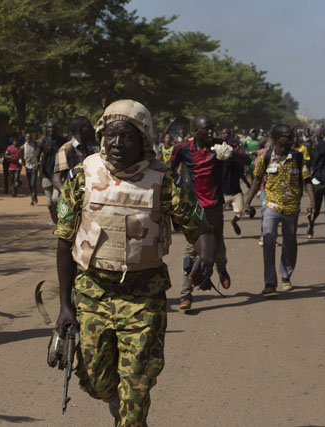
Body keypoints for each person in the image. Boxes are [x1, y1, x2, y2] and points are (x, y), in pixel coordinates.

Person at [54, 100, 216, 427]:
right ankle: (115, 402)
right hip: (92, 293)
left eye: (125, 137)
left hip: (144, 298)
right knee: (95, 381)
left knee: (137, 387)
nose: (116, 143)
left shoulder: (162, 181)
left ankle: (130, 415)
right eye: (110, 135)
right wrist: (64, 305)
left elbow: (201, 229)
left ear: (142, 140)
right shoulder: (83, 175)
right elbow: (64, 240)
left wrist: (207, 255)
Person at [170, 115, 251, 310]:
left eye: (211, 129)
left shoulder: (220, 145)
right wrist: (180, 186)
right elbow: (169, 169)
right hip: (195, 208)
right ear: (195, 131)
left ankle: (221, 269)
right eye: (205, 129)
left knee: (218, 245)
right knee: (191, 249)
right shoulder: (183, 149)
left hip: (215, 206)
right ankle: (186, 295)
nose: (210, 132)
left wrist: (231, 154)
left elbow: (247, 160)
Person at [243, 124, 314, 294]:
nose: (291, 140)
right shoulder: (266, 157)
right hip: (271, 205)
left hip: (291, 208)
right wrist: (247, 202)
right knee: (268, 241)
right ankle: (270, 283)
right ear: (276, 139)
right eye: (287, 137)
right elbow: (257, 179)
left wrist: (312, 202)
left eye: (292, 136)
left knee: (289, 243)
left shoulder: (297, 157)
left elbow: (307, 180)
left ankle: (286, 276)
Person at [36, 122, 67, 223]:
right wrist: (37, 165)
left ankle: (61, 221)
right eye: (49, 127)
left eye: (53, 127)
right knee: (49, 203)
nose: (51, 129)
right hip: (46, 175)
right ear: (46, 129)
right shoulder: (42, 142)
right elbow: (36, 156)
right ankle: (56, 222)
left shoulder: (63, 141)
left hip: (58, 174)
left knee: (56, 199)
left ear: (57, 128)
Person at [52, 116, 94, 190]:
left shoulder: (89, 148)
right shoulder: (66, 149)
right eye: (89, 127)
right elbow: (56, 179)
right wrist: (68, 195)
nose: (92, 130)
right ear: (80, 130)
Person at [221, 128, 249, 235]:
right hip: (223, 192)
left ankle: (234, 222)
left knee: (240, 213)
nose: (236, 148)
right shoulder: (221, 157)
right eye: (234, 147)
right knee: (217, 216)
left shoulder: (239, 161)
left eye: (237, 147)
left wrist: (247, 183)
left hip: (236, 191)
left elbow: (241, 173)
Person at [20, 132, 38, 205]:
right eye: (27, 137)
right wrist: (25, 165)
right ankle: (32, 197)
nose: (28, 138)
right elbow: (21, 157)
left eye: (29, 137)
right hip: (27, 166)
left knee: (33, 183)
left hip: (34, 166)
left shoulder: (35, 145)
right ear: (25, 138)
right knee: (30, 184)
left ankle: (34, 195)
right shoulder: (23, 147)